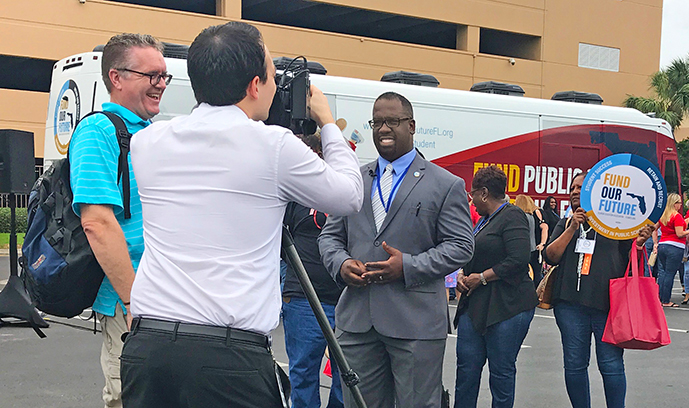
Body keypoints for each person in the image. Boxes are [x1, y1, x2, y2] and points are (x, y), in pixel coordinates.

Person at [121, 21, 364, 408]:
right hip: (228, 357)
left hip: (149, 347)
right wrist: (328, 122)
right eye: (271, 76)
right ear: (254, 86)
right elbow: (350, 195)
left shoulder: (148, 141)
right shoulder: (273, 146)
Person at [317, 91, 474, 408]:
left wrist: (410, 266)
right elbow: (329, 237)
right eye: (377, 122)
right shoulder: (353, 180)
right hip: (358, 322)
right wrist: (341, 263)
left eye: (392, 121)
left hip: (415, 324)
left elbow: (461, 246)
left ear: (412, 126)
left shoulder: (445, 184)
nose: (383, 129)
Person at [68, 33, 166, 408]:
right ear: (116, 77)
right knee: (130, 397)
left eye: (164, 76)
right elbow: (97, 222)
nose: (160, 84)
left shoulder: (149, 134)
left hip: (160, 298)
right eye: (151, 75)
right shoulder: (98, 131)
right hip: (132, 302)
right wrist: (133, 301)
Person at [543, 172, 655, 408]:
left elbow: (630, 258)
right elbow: (550, 257)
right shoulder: (565, 223)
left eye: (580, 187)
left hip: (608, 305)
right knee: (574, 364)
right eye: (572, 187)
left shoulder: (616, 225)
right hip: (570, 305)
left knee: (611, 364)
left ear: (594, 191)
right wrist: (572, 228)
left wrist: (640, 243)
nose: (574, 191)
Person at [453, 166, 538, 408]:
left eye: (472, 194)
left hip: (507, 305)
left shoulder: (512, 215)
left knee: (501, 374)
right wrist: (462, 273)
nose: (471, 200)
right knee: (466, 371)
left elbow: (519, 259)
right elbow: (471, 254)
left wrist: (481, 277)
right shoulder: (483, 221)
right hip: (476, 304)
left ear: (484, 193)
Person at [281, 132, 345, 408]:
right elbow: (280, 238)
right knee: (303, 373)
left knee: (347, 374)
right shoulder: (294, 194)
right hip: (303, 299)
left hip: (345, 299)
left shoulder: (344, 192)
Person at [654, 193, 689, 307]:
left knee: (663, 273)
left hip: (662, 244)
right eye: (679, 203)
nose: (680, 205)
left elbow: (653, 229)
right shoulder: (677, 216)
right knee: (670, 274)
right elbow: (679, 233)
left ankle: (659, 297)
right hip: (675, 246)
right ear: (674, 204)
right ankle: (666, 300)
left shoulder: (663, 215)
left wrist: (655, 242)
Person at [515, 194, 549, 286]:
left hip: (526, 249)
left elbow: (544, 227)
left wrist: (542, 243)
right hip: (533, 248)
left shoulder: (523, 216)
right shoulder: (531, 216)